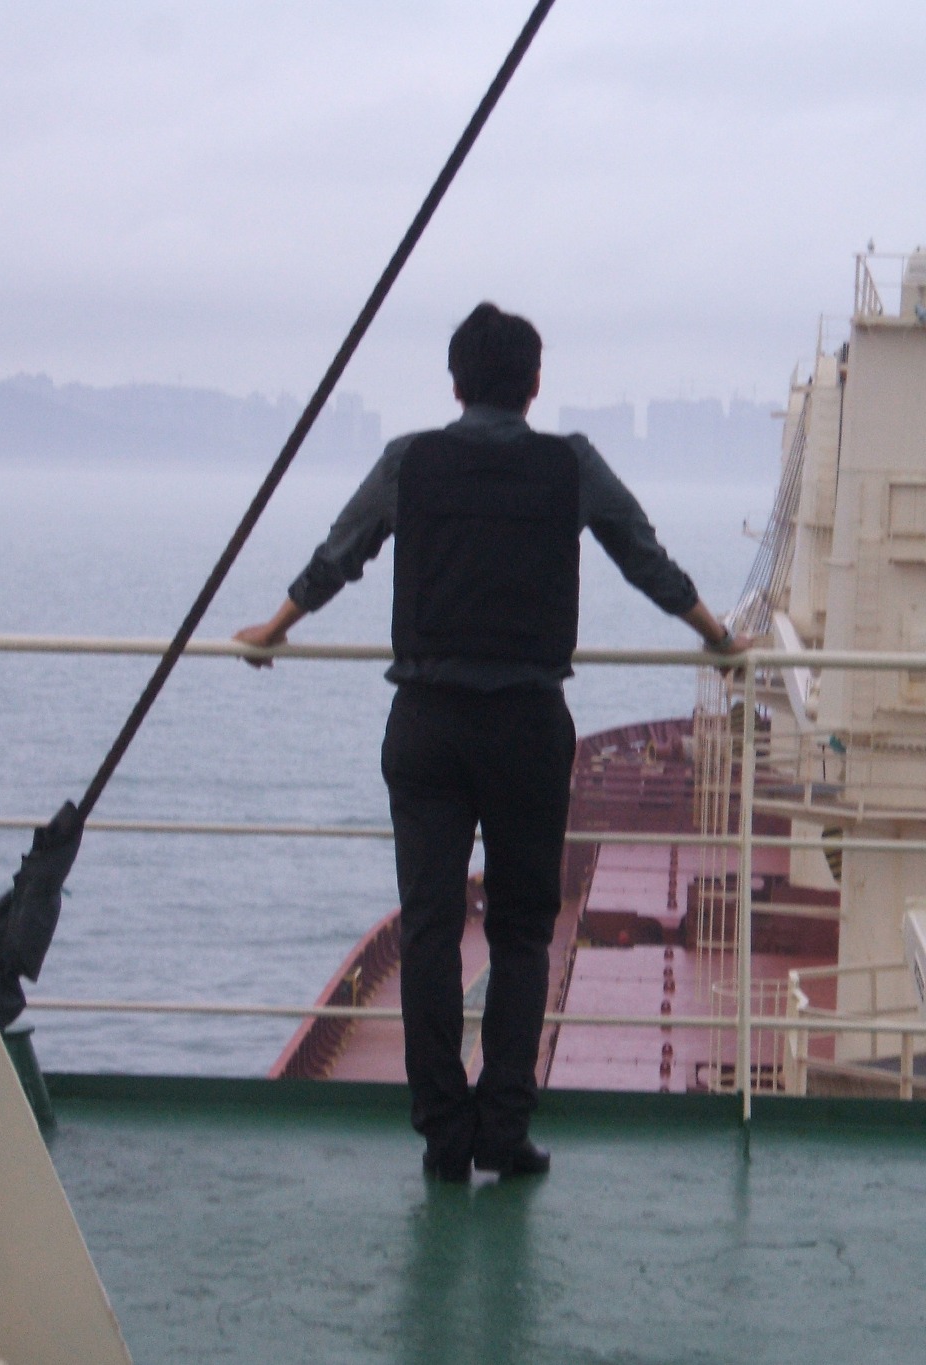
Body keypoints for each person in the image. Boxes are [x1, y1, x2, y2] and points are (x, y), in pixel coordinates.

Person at [236, 302, 748, 1181]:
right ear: (534, 384)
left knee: (431, 930)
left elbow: (339, 554)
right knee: (520, 933)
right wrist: (720, 638)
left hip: (428, 723)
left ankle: (443, 1133)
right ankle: (504, 1128)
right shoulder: (570, 464)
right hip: (526, 725)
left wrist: (276, 627)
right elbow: (644, 558)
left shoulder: (410, 460)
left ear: (455, 382)